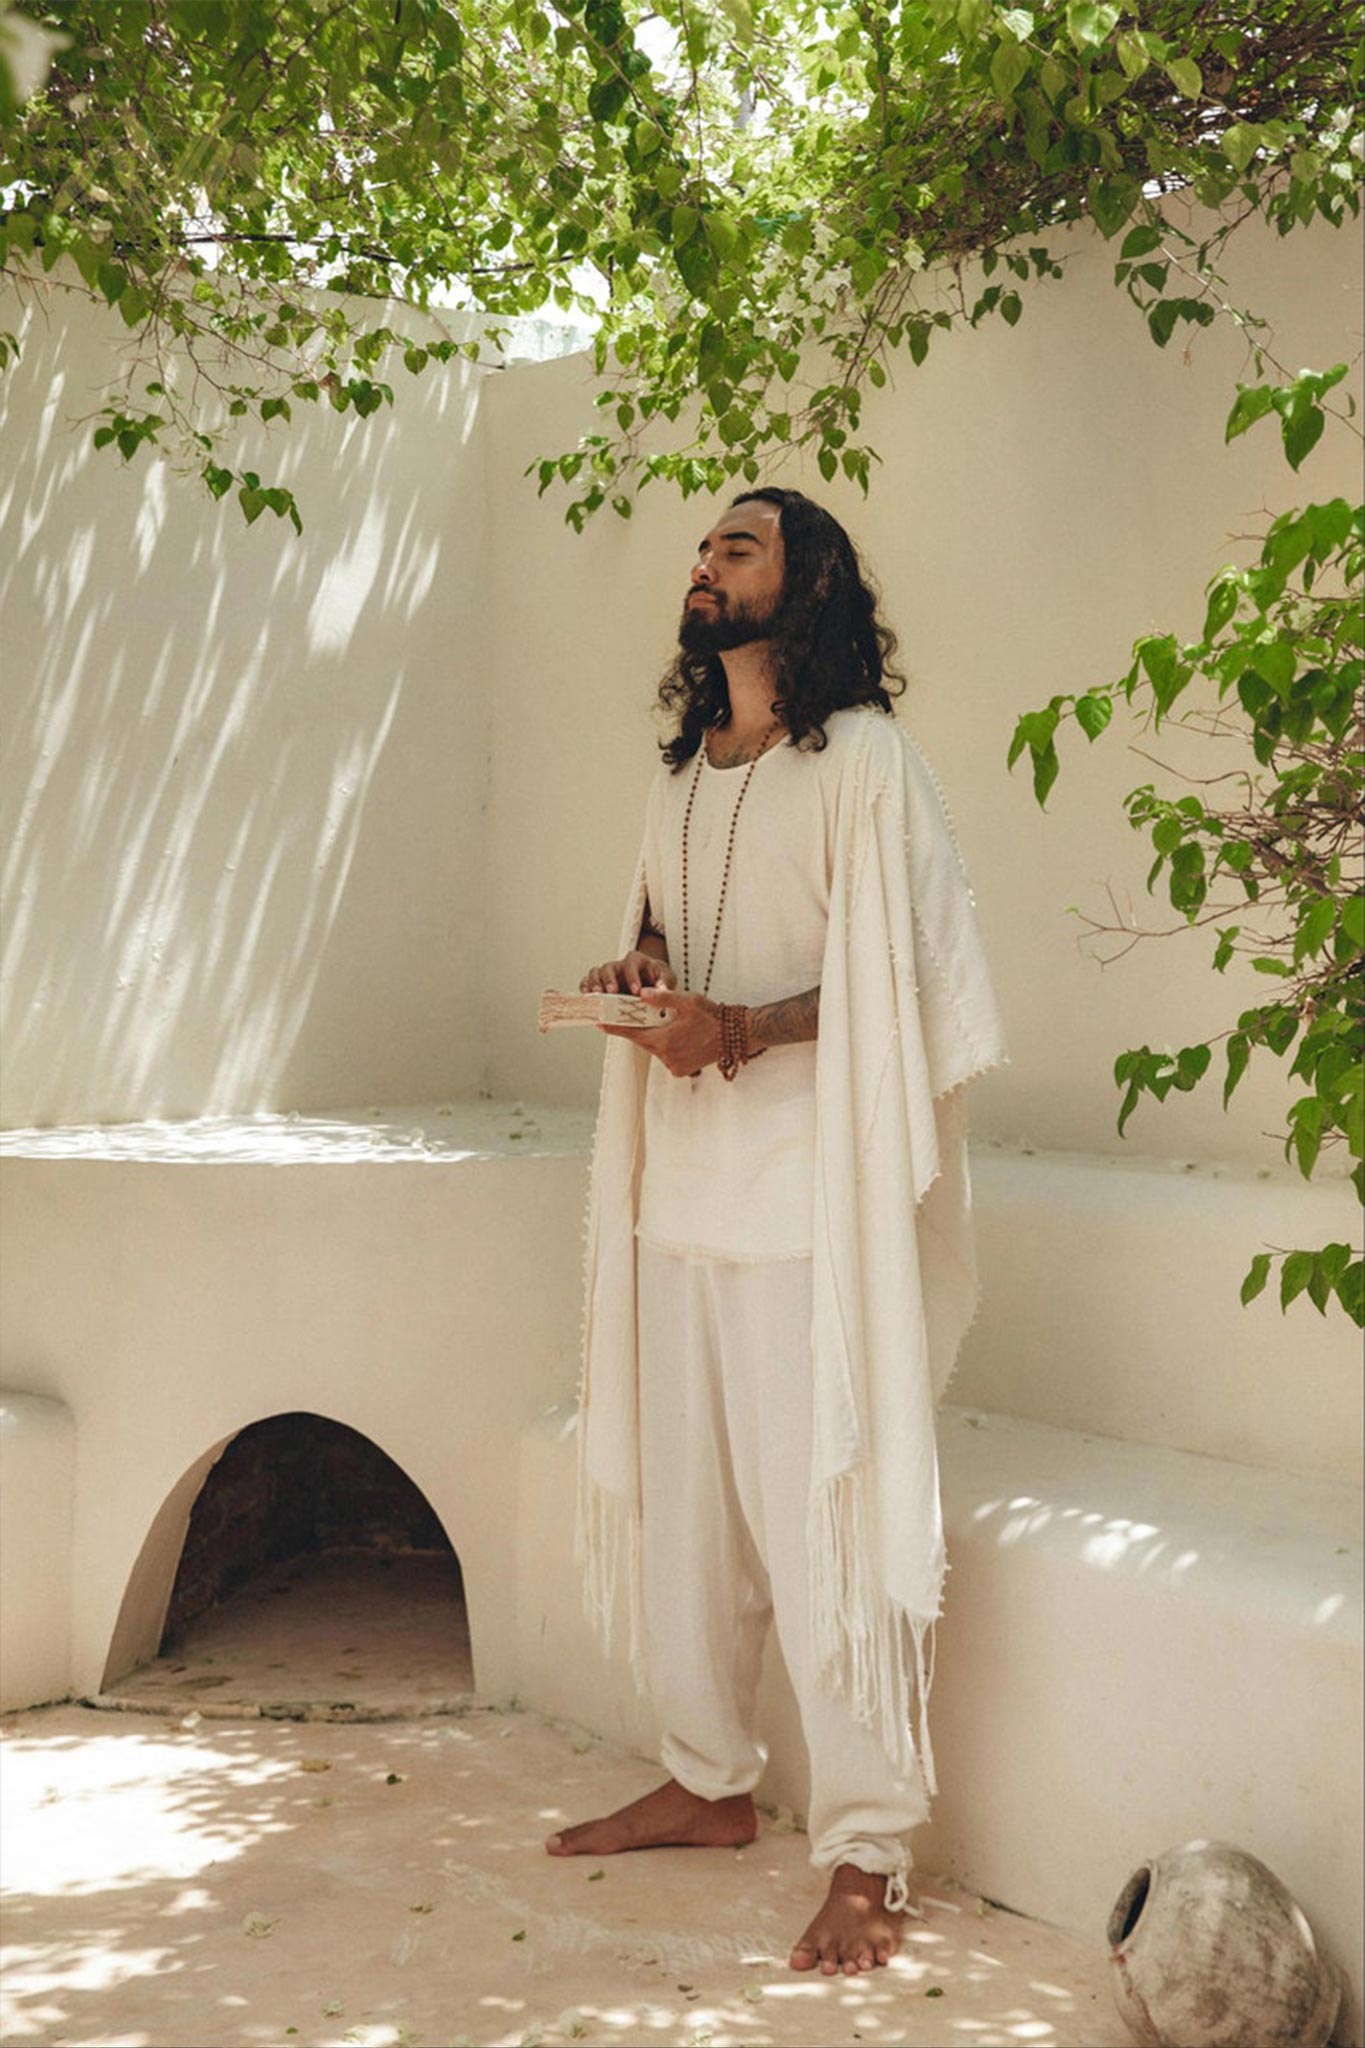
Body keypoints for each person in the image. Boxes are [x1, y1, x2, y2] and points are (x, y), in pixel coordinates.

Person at [545, 487, 1008, 1976]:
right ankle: (704, 1779)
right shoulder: (684, 770)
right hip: (680, 1193)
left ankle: (869, 1849)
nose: (703, 564)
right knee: (689, 1518)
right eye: (700, 549)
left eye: (734, 546)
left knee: (822, 1524)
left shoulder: (864, 762)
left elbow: (907, 983)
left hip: (808, 1204)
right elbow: (678, 927)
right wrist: (648, 969)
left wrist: (738, 1027)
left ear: (801, 582)